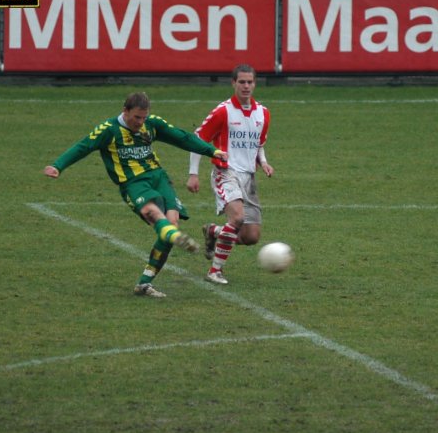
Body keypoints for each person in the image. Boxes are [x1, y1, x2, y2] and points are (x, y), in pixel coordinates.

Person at [44, 92, 227, 298]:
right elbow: (83, 146)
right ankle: (173, 236)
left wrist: (212, 151)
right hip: (133, 183)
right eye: (136, 117)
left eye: (144, 117)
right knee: (153, 213)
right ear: (125, 111)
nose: (140, 122)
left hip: (158, 177)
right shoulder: (109, 130)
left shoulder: (152, 124)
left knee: (171, 225)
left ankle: (144, 283)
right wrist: (58, 165)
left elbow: (182, 138)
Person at [186, 64, 274, 285]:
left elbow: (258, 144)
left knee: (250, 237)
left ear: (255, 84)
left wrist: (263, 162)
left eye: (249, 82)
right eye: (241, 82)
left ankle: (213, 231)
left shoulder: (263, 113)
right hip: (226, 173)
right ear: (233, 83)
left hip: (249, 177)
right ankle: (215, 271)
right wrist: (193, 173)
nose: (246, 86)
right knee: (237, 218)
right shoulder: (223, 111)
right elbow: (198, 139)